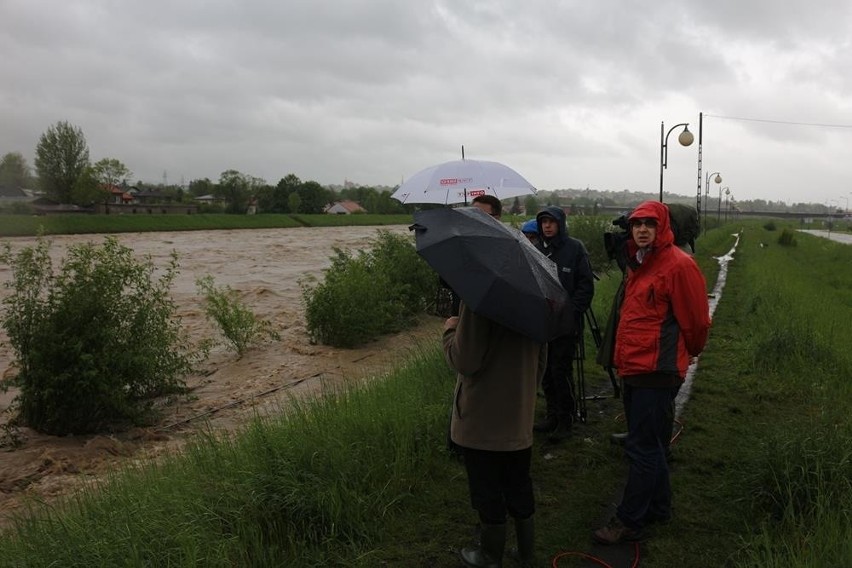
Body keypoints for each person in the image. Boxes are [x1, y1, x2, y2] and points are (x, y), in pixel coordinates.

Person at [593, 200, 711, 545]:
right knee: (654, 444)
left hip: (656, 372)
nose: (641, 229)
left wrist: (687, 354)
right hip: (635, 367)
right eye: (636, 224)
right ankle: (660, 507)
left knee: (642, 447)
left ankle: (629, 520)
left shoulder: (678, 265)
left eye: (649, 224)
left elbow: (697, 323)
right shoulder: (639, 264)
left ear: (663, 228)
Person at [443, 300, 547, 567]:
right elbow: (542, 357)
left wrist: (450, 330)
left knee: (486, 487)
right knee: (519, 483)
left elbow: (465, 360)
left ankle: (490, 555)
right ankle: (526, 553)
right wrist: (527, 394)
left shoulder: (480, 300)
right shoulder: (535, 299)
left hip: (483, 418)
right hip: (519, 415)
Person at [533, 206, 595, 442]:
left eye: (551, 222)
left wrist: (571, 312)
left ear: (560, 223)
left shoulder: (575, 248)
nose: (547, 226)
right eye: (543, 222)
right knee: (545, 372)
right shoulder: (536, 249)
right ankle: (551, 415)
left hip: (567, 324)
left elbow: (585, 286)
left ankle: (566, 419)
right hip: (542, 323)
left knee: (561, 370)